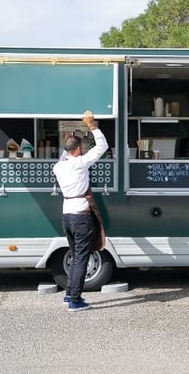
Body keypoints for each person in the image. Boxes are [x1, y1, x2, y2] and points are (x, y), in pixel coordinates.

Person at [53, 110, 108, 312]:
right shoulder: (80, 163)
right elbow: (103, 146)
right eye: (82, 148)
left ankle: (69, 294)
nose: (84, 150)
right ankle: (75, 300)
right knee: (81, 259)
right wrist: (91, 125)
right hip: (81, 217)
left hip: (67, 215)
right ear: (78, 150)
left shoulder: (59, 166)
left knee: (75, 256)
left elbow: (66, 151)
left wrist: (72, 131)